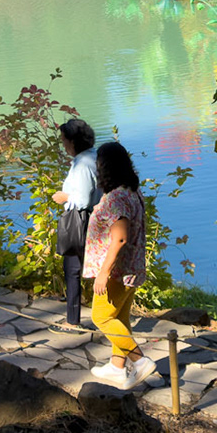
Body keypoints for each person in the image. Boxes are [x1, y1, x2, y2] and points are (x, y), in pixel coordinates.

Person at [83, 141, 155, 388]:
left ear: (105, 167)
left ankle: (140, 361)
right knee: (119, 319)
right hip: (131, 268)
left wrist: (103, 273)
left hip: (117, 272)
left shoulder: (116, 198)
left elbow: (120, 237)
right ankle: (116, 367)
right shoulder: (131, 191)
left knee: (101, 317)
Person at [50, 118, 98, 329]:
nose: (63, 145)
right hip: (93, 217)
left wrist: (65, 197)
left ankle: (72, 320)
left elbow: (83, 199)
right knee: (86, 268)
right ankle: (100, 316)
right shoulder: (94, 156)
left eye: (64, 140)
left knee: (72, 269)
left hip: (80, 219)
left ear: (73, 141)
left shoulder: (82, 165)